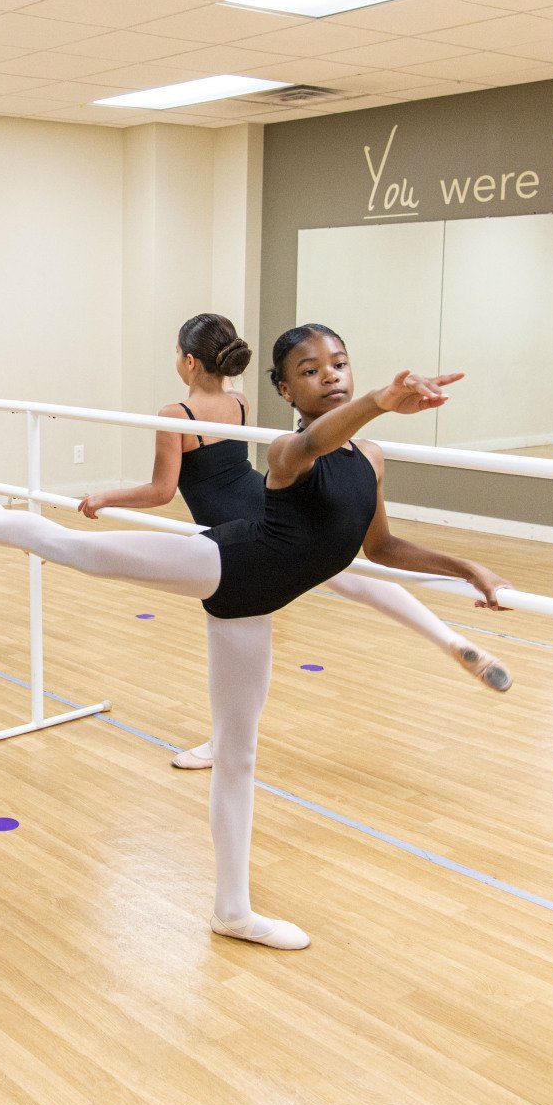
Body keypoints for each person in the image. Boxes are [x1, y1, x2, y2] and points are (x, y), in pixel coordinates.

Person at [0, 326, 510, 951]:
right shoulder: (287, 451)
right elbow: (313, 445)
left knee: (238, 754)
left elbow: (384, 545)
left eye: (337, 364)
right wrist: (378, 401)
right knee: (70, 548)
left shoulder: (369, 457)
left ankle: (232, 910)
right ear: (285, 392)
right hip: (226, 563)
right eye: (309, 371)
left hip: (253, 610)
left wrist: (468, 568)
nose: (328, 376)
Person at [77, 313, 510, 771]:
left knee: (257, 620)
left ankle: (225, 740)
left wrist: (108, 496)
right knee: (348, 574)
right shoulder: (238, 402)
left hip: (234, 526)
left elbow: (162, 491)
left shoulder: (175, 415)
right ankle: (448, 639)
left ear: (187, 361)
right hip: (264, 497)